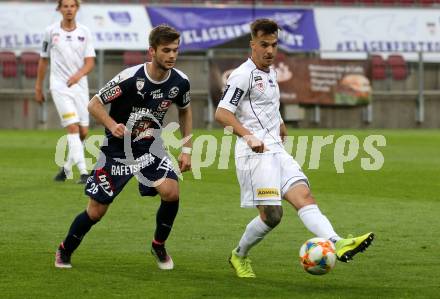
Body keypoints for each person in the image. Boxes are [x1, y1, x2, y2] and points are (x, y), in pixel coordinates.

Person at [215, 18, 374, 278]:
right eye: (264, 45)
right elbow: (222, 113)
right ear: (252, 44)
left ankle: (337, 242)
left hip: (276, 150)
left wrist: (281, 124)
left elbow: (267, 107)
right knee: (272, 216)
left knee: (305, 198)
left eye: (274, 45)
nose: (269, 51)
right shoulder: (242, 75)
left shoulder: (271, 73)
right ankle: (239, 255)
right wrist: (248, 136)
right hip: (254, 156)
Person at [54, 24, 193, 270]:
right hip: (116, 152)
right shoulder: (130, 78)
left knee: (171, 193)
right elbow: (94, 104)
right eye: (166, 50)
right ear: (152, 51)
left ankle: (158, 244)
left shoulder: (180, 82)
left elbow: (185, 111)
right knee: (96, 212)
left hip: (149, 149)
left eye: (175, 50)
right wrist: (111, 123)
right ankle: (65, 249)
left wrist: (187, 148)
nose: (172, 55)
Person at [35, 0, 95, 184]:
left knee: (83, 131)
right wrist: (39, 86)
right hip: (59, 86)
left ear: (77, 8)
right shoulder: (51, 31)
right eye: (65, 6)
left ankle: (66, 169)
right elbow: (43, 60)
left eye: (72, 6)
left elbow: (90, 61)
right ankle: (84, 172)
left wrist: (78, 75)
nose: (69, 9)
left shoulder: (84, 32)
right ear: (59, 9)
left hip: (80, 87)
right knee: (72, 128)